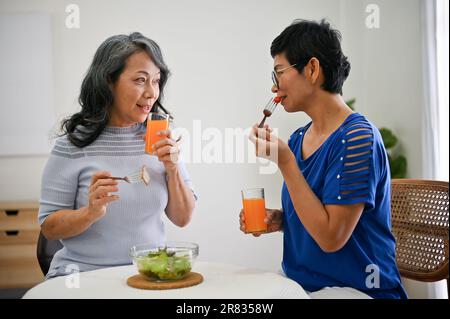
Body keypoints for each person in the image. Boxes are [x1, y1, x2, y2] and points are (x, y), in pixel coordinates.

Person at [240, 19, 407, 299]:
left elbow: (331, 237)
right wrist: (280, 220)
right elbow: (316, 212)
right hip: (304, 287)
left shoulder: (357, 139)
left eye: (279, 73)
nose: (274, 88)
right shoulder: (297, 139)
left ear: (313, 69)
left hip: (358, 290)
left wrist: (285, 163)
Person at [39, 32, 196, 279]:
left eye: (156, 81)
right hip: (83, 276)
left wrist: (173, 170)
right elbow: (49, 228)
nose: (151, 92)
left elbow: (183, 218)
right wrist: (89, 212)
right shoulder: (71, 146)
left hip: (148, 275)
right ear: (108, 81)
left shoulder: (160, 138)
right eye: (140, 80)